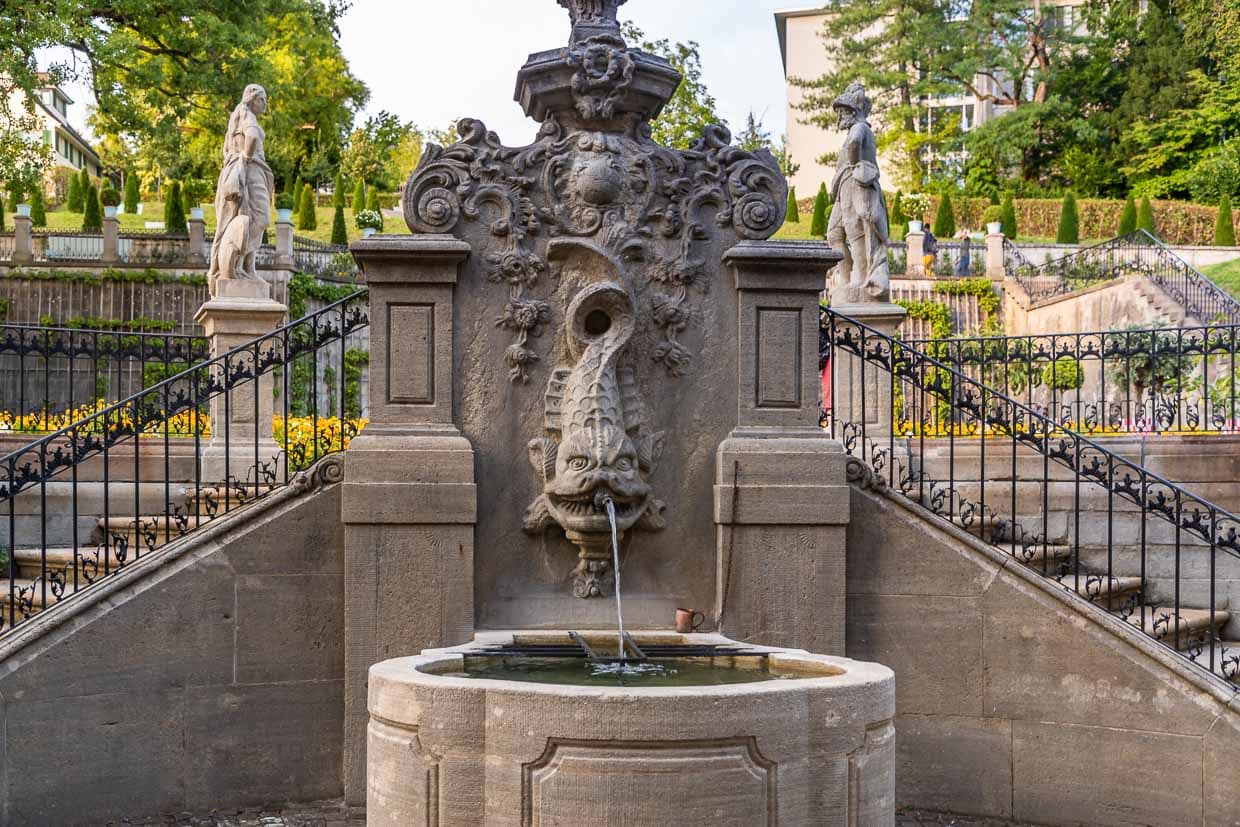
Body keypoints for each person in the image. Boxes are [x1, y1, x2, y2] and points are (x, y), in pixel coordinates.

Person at [207, 84, 274, 293]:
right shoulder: (247, 116)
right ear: (252, 99)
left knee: (248, 217)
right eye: (262, 99)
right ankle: (237, 262)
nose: (265, 104)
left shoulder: (240, 115)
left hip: (246, 169)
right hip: (250, 169)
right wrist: (245, 161)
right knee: (260, 218)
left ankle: (246, 267)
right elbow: (252, 137)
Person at [826, 82, 890, 300]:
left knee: (855, 232)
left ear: (853, 112)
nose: (839, 117)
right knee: (834, 233)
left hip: (856, 183)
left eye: (842, 112)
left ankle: (860, 278)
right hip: (845, 185)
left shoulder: (859, 128)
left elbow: (854, 144)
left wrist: (854, 165)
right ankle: (844, 279)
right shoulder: (854, 129)